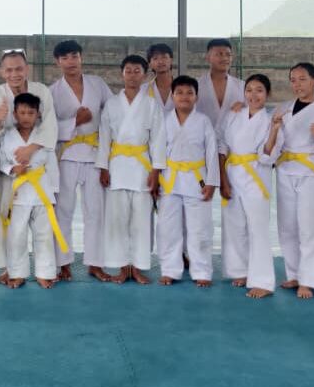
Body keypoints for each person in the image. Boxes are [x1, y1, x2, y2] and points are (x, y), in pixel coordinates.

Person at [264, 62, 314, 300]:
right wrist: (275, 128)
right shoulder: (283, 109)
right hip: (286, 171)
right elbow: (273, 143)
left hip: (312, 174)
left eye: (302, 79)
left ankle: (309, 280)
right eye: (293, 80)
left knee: (310, 228)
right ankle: (294, 274)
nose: (297, 84)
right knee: (287, 226)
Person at [0, 49, 56, 285]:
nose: (14, 74)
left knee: (43, 231)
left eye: (19, 68)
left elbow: (50, 125)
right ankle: (12, 269)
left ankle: (45, 272)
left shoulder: (41, 91)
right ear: (1, 72)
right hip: (12, 172)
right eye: (9, 70)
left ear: (27, 69)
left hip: (38, 173)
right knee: (10, 226)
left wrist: (31, 149)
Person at [97, 54, 167, 285]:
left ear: (145, 75)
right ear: (122, 74)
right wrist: (103, 167)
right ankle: (121, 267)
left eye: (137, 71)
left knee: (141, 221)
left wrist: (156, 171)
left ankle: (137, 267)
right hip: (117, 166)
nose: (132, 75)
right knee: (117, 220)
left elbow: (158, 139)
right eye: (128, 71)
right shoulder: (112, 104)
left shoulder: (151, 104)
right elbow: (104, 137)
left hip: (141, 168)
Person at [49, 40, 114, 282]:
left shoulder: (98, 84)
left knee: (96, 211)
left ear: (81, 57)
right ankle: (63, 263)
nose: (71, 62)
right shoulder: (52, 91)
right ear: (57, 62)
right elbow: (47, 127)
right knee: (63, 211)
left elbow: (113, 114)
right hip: (66, 155)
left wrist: (107, 160)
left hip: (95, 154)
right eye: (65, 58)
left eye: (74, 56)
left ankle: (95, 263)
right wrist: (74, 122)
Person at [157, 76, 220, 287]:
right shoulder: (164, 120)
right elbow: (156, 151)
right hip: (169, 179)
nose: (184, 97)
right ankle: (169, 270)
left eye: (189, 93)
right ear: (172, 96)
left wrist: (212, 182)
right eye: (180, 93)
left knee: (199, 228)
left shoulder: (203, 121)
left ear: (196, 97)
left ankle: (202, 271)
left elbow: (212, 152)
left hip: (197, 179)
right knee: (168, 228)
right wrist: (155, 178)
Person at [217, 74, 276, 299]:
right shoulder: (233, 115)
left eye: (259, 90)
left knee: (258, 229)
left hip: (256, 176)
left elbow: (268, 155)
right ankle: (239, 270)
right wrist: (223, 179)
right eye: (249, 90)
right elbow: (221, 144)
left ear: (267, 94)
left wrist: (275, 131)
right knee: (234, 225)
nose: (253, 95)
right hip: (232, 174)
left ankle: (263, 281)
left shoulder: (270, 121)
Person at [1, 93, 63, 289]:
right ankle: (17, 273)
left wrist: (53, 193)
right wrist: (12, 169)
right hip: (18, 192)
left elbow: (52, 165)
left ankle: (44, 273)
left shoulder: (43, 137)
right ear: (15, 114)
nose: (26, 117)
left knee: (44, 234)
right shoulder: (8, 136)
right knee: (16, 235)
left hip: (42, 191)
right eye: (22, 112)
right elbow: (1, 162)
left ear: (38, 114)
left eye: (31, 113)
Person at [196, 38, 245, 129]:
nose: (225, 58)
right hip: (201, 136)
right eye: (219, 54)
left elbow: (252, 113)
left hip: (233, 137)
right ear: (208, 57)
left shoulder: (242, 86)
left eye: (228, 55)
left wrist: (245, 107)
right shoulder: (196, 85)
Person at [140, 43, 175, 112]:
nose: (160, 62)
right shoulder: (143, 90)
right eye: (155, 58)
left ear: (171, 60)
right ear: (150, 64)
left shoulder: (184, 88)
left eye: (164, 57)